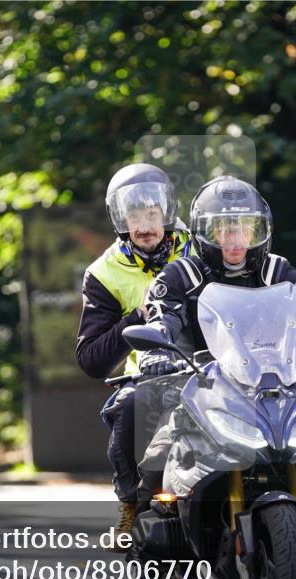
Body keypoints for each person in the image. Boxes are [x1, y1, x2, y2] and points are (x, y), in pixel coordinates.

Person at [135, 175, 296, 507]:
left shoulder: (277, 271)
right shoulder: (180, 275)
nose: (235, 240)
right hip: (199, 385)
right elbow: (162, 319)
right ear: (203, 233)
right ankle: (137, 512)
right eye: (223, 230)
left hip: (274, 385)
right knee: (160, 452)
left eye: (245, 229)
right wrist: (157, 351)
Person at [75, 163, 191, 549]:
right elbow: (91, 359)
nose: (144, 226)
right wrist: (137, 316)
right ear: (120, 220)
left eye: (152, 214)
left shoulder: (200, 250)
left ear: (167, 213)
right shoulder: (104, 273)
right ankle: (132, 504)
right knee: (128, 405)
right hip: (151, 378)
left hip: (215, 369)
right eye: (134, 217)